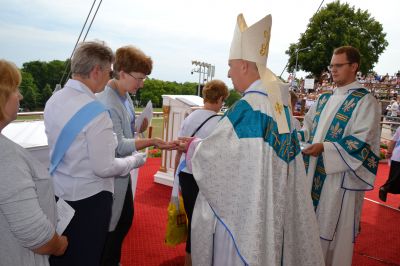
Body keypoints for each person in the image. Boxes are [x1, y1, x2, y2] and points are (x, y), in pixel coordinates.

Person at [176, 13, 324, 265]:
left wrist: (192, 146)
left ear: (245, 65)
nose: (229, 72)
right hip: (269, 209)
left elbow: (217, 159)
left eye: (231, 65)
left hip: (241, 219)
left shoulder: (248, 107)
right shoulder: (279, 108)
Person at [44, 41, 146, 266]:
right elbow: (104, 168)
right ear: (96, 71)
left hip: (59, 192)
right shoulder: (97, 113)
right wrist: (134, 160)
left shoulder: (54, 100)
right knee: (87, 256)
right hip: (89, 200)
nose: (110, 75)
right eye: (109, 70)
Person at [300, 46, 381, 266]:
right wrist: (297, 136)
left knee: (333, 232)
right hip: (313, 172)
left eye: (338, 66)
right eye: (331, 66)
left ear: (354, 67)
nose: (332, 71)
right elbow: (308, 126)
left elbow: (363, 141)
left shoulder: (365, 101)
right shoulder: (324, 98)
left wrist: (325, 148)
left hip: (339, 179)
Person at [97, 45, 176, 266]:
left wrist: (140, 126)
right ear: (121, 73)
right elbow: (119, 146)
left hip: (122, 175)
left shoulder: (124, 95)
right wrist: (150, 141)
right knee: (112, 228)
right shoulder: (108, 102)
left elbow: (127, 129)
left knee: (123, 220)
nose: (141, 84)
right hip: (110, 178)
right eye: (139, 78)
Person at [0, 59, 68, 265]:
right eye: (15, 89)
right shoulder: (6, 157)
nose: (20, 95)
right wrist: (59, 244)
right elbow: (35, 235)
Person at [173, 79, 228, 266]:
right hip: (204, 178)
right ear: (220, 99)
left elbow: (180, 147)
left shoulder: (190, 117)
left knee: (192, 222)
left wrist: (176, 176)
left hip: (186, 174)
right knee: (201, 226)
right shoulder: (221, 122)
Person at [379, 126, 400, 203]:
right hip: (397, 156)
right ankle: (385, 188)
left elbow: (393, 141)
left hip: (397, 156)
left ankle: (385, 188)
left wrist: (389, 152)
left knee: (394, 177)